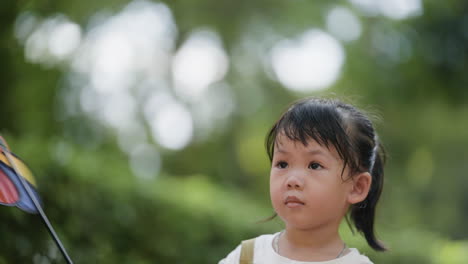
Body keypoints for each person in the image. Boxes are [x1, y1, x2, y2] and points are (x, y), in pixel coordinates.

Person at [219, 97, 387, 264]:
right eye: (282, 163)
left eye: (314, 165)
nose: (292, 180)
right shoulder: (247, 257)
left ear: (356, 187)